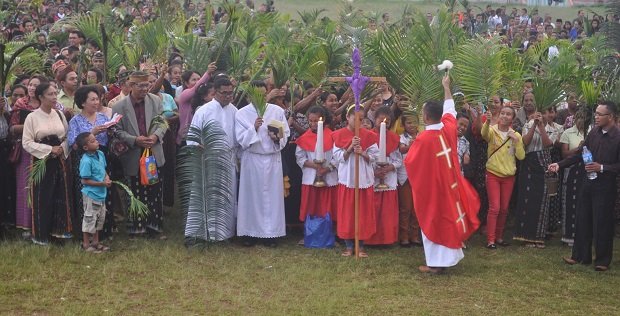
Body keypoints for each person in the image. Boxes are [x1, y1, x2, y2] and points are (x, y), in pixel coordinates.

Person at [405, 75, 480, 274]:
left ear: (427, 117)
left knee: (433, 220)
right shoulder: (449, 128)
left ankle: (436, 264)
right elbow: (450, 109)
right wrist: (446, 87)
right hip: (451, 186)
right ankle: (448, 260)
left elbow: (410, 163)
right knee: (448, 219)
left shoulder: (423, 138)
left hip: (433, 190)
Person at [549, 101, 620, 272]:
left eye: (599, 114)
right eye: (595, 113)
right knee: (583, 218)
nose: (596, 116)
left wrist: (602, 167)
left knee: (602, 222)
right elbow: (581, 155)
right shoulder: (594, 133)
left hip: (606, 186)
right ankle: (580, 256)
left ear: (610, 117)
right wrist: (559, 164)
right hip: (588, 182)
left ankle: (602, 260)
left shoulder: (617, 137)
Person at [112, 71, 167, 238]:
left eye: (147, 85)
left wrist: (155, 136)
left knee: (154, 191)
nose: (145, 88)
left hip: (153, 152)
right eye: (141, 85)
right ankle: (137, 228)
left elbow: (162, 122)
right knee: (135, 191)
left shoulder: (155, 100)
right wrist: (134, 140)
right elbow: (116, 130)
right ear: (131, 86)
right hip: (134, 153)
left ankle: (154, 227)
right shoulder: (119, 106)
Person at [235, 83, 290, 247]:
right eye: (255, 95)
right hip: (252, 159)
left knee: (272, 198)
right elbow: (240, 139)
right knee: (251, 197)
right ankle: (249, 233)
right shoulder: (241, 114)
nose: (260, 98)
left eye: (263, 94)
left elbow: (284, 133)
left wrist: (277, 138)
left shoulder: (277, 111)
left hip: (272, 159)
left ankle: (271, 234)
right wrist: (254, 128)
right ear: (248, 97)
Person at [185, 77, 238, 242]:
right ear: (215, 92)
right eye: (225, 93)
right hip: (207, 158)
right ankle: (200, 233)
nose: (228, 96)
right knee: (205, 197)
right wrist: (198, 146)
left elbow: (239, 137)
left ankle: (224, 233)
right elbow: (193, 135)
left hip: (227, 159)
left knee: (226, 196)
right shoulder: (204, 110)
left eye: (231, 93)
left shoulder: (234, 111)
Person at [21, 82, 72, 245]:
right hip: (42, 162)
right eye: (50, 94)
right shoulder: (32, 117)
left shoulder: (59, 114)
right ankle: (42, 235)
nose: (54, 97)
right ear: (41, 97)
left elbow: (66, 137)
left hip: (60, 161)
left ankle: (59, 233)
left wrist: (61, 149)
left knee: (61, 194)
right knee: (43, 197)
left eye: (55, 93)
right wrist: (49, 149)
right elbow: (26, 142)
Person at [332, 104, 379, 257]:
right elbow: (338, 158)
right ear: (347, 117)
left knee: (362, 212)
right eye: (355, 119)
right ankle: (349, 245)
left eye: (361, 119)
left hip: (363, 179)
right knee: (348, 213)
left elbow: (375, 157)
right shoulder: (339, 135)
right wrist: (350, 148)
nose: (358, 122)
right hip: (347, 179)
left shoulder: (369, 136)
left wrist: (363, 153)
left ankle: (361, 245)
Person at [513, 102, 561, 248]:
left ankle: (538, 236)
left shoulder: (553, 129)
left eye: (546, 113)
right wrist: (534, 125)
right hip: (529, 166)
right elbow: (525, 142)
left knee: (542, 200)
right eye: (540, 113)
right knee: (528, 199)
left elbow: (548, 145)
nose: (542, 115)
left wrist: (541, 126)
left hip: (543, 165)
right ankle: (526, 236)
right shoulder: (527, 125)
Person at [67, 85, 112, 239]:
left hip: (101, 158)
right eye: (92, 99)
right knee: (86, 197)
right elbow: (72, 144)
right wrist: (91, 133)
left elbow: (109, 137)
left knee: (103, 194)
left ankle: (102, 232)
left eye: (97, 99)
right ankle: (86, 235)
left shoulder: (102, 117)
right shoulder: (75, 120)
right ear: (83, 102)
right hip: (84, 159)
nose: (96, 102)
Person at [480, 106, 525, 249]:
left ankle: (499, 237)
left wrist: (516, 141)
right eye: (503, 113)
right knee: (495, 208)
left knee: (504, 209)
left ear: (513, 118)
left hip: (509, 176)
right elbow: (484, 135)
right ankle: (491, 240)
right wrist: (487, 122)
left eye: (508, 114)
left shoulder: (516, 135)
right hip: (493, 173)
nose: (505, 116)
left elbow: (521, 156)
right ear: (499, 115)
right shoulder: (492, 130)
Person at [295, 106, 338, 234]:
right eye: (310, 121)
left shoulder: (332, 136)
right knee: (310, 205)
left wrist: (327, 169)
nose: (313, 124)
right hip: (310, 178)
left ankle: (330, 233)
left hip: (329, 178)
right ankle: (309, 233)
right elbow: (300, 157)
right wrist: (315, 166)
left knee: (328, 205)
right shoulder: (304, 138)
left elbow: (337, 157)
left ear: (323, 119)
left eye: (315, 121)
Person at [366, 107, 401, 246]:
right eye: (381, 120)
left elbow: (398, 160)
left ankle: (387, 238)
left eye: (387, 121)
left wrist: (390, 167)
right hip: (372, 176)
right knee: (372, 209)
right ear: (374, 120)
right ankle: (370, 238)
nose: (384, 123)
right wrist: (374, 172)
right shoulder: (368, 136)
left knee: (387, 211)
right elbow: (365, 158)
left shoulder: (394, 138)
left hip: (389, 177)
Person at [76, 132, 111, 253]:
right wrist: (101, 184)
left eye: (95, 139)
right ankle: (86, 243)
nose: (96, 142)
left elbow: (104, 170)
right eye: (92, 141)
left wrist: (106, 177)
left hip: (102, 194)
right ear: (85, 147)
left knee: (100, 218)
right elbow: (84, 180)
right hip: (91, 194)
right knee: (89, 218)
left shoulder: (100, 154)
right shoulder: (86, 161)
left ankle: (96, 242)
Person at [558, 110, 586, 246]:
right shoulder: (567, 132)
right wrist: (578, 149)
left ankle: (584, 235)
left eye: (584, 118)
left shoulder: (591, 132)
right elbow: (564, 154)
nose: (581, 120)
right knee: (570, 202)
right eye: (579, 117)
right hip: (571, 170)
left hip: (586, 170)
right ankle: (569, 236)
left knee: (584, 202)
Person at [397, 112, 421, 247]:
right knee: (406, 207)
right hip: (405, 176)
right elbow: (401, 149)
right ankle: (404, 236)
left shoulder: (422, 136)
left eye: (414, 122)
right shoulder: (402, 138)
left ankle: (415, 235)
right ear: (403, 125)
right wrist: (411, 146)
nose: (412, 125)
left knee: (416, 208)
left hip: (419, 176)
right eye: (408, 123)